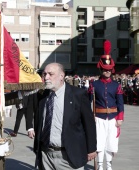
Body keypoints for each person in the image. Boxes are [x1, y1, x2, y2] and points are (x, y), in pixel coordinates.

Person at [33, 62, 97, 170]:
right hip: (46, 155)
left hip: (69, 156)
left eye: (50, 74)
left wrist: (91, 148)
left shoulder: (77, 95)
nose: (46, 77)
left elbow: (89, 123)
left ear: (61, 76)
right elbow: (39, 121)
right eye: (44, 74)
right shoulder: (42, 95)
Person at [88, 40, 124, 170]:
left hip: (113, 118)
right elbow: (87, 101)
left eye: (109, 70)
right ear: (101, 69)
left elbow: (120, 102)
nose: (107, 72)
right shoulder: (94, 84)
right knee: (99, 143)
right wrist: (88, 116)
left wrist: (120, 118)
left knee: (111, 143)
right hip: (98, 118)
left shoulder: (116, 85)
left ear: (112, 70)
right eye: (105, 69)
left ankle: (109, 166)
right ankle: (100, 166)